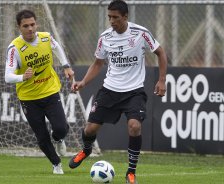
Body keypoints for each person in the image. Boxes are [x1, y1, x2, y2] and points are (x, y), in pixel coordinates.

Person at [69, 0, 167, 183]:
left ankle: (131, 172)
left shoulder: (140, 33)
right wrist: (83, 82)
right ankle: (86, 150)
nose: (111, 21)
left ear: (125, 17)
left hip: (134, 91)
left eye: (115, 17)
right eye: (109, 17)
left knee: (135, 126)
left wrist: (162, 81)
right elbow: (98, 63)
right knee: (90, 130)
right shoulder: (105, 37)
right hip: (110, 90)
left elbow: (160, 53)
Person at [5, 9, 74, 174]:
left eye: (32, 24)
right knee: (42, 137)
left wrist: (66, 66)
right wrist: (22, 77)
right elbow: (8, 76)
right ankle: (56, 164)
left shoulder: (45, 37)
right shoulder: (14, 48)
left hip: (50, 91)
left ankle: (58, 138)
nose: (30, 29)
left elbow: (57, 48)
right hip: (29, 98)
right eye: (25, 26)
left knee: (61, 129)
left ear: (36, 24)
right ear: (19, 28)